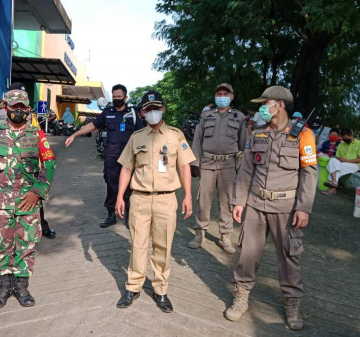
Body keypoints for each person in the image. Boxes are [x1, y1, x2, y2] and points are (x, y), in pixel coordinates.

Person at [226, 86, 318, 331]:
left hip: (286, 207)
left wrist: (304, 208)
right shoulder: (258, 133)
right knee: (247, 252)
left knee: (289, 256)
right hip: (256, 204)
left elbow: (309, 173)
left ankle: (293, 303)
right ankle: (241, 295)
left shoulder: (303, 134)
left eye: (265, 104)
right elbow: (246, 170)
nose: (262, 109)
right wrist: (239, 201)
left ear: (280, 105)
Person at [115, 90, 195, 313]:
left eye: (156, 108)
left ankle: (160, 290)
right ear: (142, 112)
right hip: (139, 199)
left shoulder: (176, 136)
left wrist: (188, 195)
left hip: (166, 199)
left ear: (163, 109)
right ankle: (133, 286)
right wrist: (120, 196)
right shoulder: (136, 137)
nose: (153, 112)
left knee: (163, 246)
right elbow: (126, 168)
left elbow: (185, 166)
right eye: (148, 109)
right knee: (137, 245)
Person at [0, 89, 56, 308]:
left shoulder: (37, 135)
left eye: (22, 107)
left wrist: (37, 191)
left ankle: (21, 288)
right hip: (1, 202)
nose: (18, 111)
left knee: (26, 244)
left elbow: (49, 165)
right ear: (5, 108)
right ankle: (3, 288)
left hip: (28, 202)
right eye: (13, 107)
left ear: (28, 110)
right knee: (1, 244)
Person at [65, 84, 144, 228]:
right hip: (111, 156)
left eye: (119, 97)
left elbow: (142, 133)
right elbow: (92, 125)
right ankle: (111, 215)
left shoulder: (132, 113)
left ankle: (128, 215)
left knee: (129, 186)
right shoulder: (108, 112)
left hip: (130, 157)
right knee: (111, 183)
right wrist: (74, 134)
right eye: (114, 97)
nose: (116, 99)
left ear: (125, 97)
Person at [0, 82, 56, 239]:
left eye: (23, 103)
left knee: (32, 208)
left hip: (27, 175)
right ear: (7, 105)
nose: (18, 109)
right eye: (15, 102)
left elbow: (47, 159)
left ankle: (41, 227)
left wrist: (39, 186)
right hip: (4, 180)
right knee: (3, 233)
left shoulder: (33, 126)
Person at [188, 83, 247, 253]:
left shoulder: (239, 117)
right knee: (204, 199)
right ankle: (200, 232)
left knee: (228, 201)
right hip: (206, 163)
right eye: (219, 93)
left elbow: (244, 144)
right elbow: (197, 140)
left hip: (228, 165)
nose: (222, 96)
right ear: (215, 96)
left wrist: (242, 168)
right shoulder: (206, 116)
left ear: (231, 96)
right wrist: (194, 163)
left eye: (225, 94)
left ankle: (225, 236)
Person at [323, 128, 360, 195]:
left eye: (347, 138)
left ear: (351, 135)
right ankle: (334, 182)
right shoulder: (341, 145)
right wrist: (339, 158)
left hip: (355, 164)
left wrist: (345, 160)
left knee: (337, 168)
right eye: (344, 138)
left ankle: (332, 188)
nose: (345, 140)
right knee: (332, 160)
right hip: (342, 162)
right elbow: (337, 156)